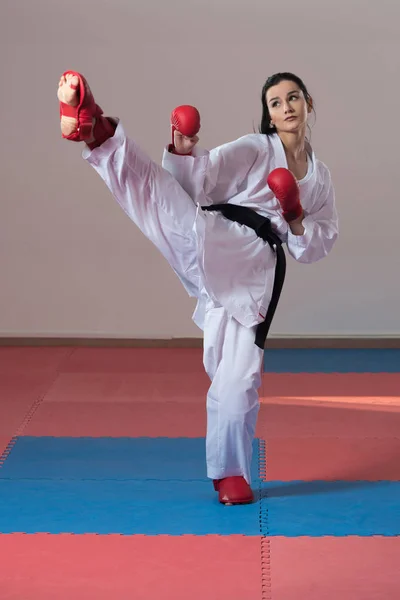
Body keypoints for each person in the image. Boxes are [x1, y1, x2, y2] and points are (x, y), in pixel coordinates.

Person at [57, 70, 338, 505]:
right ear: (268, 114)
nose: (286, 108)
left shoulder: (321, 179)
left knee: (238, 376)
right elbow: (199, 182)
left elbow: (316, 246)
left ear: (308, 104)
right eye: (276, 102)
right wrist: (186, 151)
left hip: (254, 271)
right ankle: (96, 130)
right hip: (215, 234)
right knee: (160, 200)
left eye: (293, 98)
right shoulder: (255, 148)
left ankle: (230, 475)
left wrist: (295, 215)